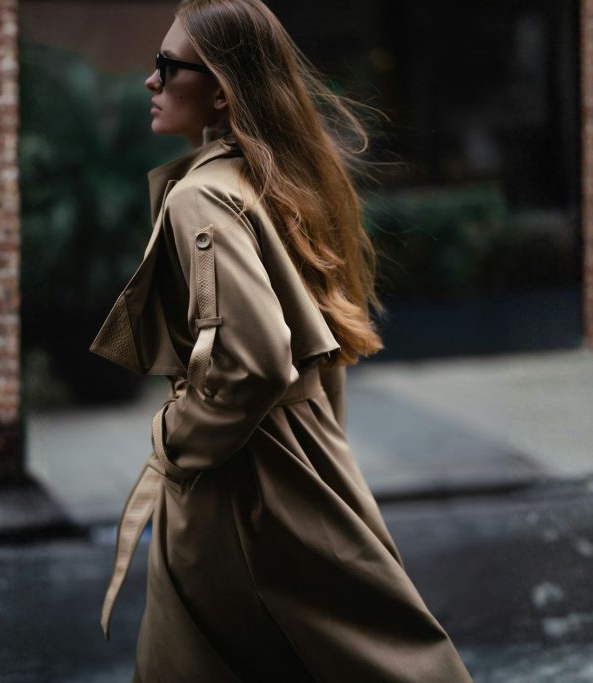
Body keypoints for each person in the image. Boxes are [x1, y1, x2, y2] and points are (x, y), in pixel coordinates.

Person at [89, 1, 475, 680]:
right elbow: (316, 349)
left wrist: (177, 438)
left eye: (167, 66)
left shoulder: (203, 197)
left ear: (221, 92)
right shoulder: (273, 178)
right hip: (301, 468)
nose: (151, 80)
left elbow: (258, 359)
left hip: (238, 487)